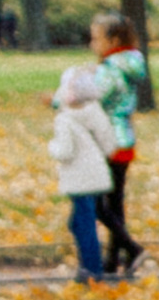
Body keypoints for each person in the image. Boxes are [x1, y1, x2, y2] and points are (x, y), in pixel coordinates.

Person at [47, 66, 119, 283]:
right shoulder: (95, 111)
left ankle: (91, 268)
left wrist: (52, 147)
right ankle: (90, 266)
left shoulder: (64, 120)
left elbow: (65, 151)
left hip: (78, 178)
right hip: (96, 174)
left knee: (84, 222)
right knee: (81, 220)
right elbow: (109, 143)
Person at [90, 12, 147, 277]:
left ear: (113, 40)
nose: (92, 45)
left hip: (108, 141)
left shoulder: (111, 69)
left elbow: (93, 97)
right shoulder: (131, 64)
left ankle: (132, 248)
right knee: (114, 203)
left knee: (97, 204)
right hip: (125, 139)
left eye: (96, 39)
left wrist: (59, 100)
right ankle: (113, 259)